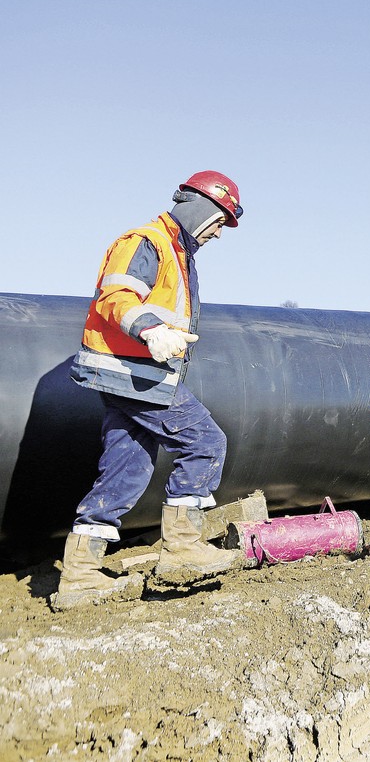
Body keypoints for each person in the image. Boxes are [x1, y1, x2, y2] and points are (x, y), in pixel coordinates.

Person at [53, 171, 246, 610]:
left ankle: (80, 573)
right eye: (220, 221)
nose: (219, 233)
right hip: (135, 375)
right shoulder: (148, 241)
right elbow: (116, 296)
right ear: (202, 208)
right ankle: (182, 545)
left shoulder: (177, 251)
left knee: (128, 466)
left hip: (131, 375)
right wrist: (152, 330)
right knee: (206, 442)